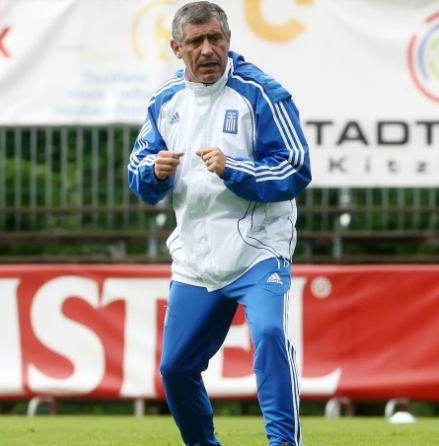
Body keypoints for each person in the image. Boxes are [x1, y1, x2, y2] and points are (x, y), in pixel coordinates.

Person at [128, 2, 312, 445]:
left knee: (269, 334)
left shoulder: (262, 93)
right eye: (196, 41)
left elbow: (295, 167)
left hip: (257, 249)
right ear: (177, 48)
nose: (208, 50)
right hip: (197, 259)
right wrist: (153, 171)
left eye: (216, 38)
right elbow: (138, 170)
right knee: (175, 368)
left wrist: (235, 168)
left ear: (229, 40)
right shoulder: (164, 101)